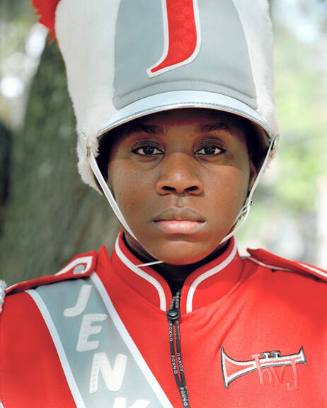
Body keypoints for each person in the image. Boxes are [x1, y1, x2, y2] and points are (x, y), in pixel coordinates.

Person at [1, 1, 327, 407]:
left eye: (210, 149)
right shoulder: (19, 325)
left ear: (254, 168)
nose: (178, 180)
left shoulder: (320, 310)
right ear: (101, 171)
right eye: (146, 148)